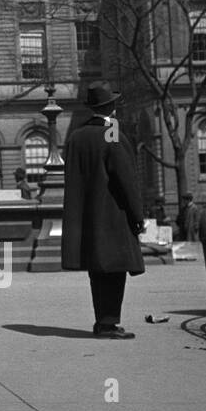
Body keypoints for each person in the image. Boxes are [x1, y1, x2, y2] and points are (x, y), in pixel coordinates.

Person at [61, 83, 145, 339]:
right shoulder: (112, 134)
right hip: (112, 216)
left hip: (87, 217)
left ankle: (102, 321)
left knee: (96, 272)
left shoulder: (76, 136)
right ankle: (108, 323)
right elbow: (126, 180)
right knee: (115, 271)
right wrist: (137, 215)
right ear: (112, 107)